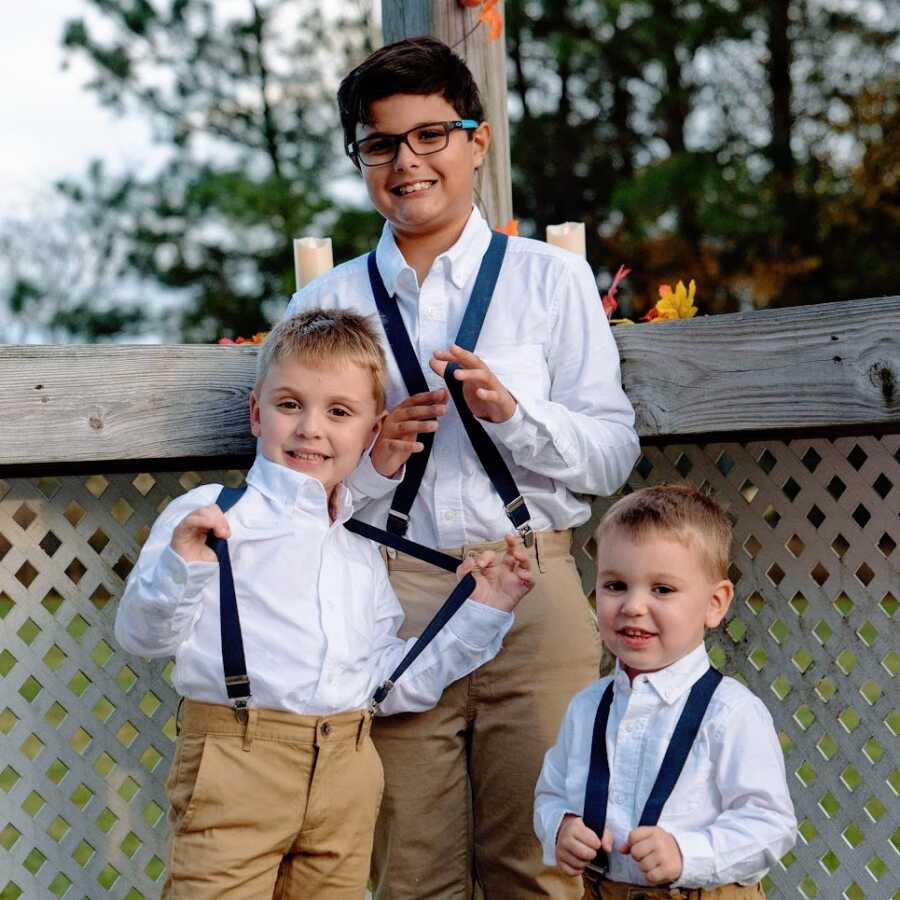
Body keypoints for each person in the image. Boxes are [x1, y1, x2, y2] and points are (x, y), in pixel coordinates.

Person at [286, 36, 640, 900]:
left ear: (477, 142)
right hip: (389, 593)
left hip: (532, 582)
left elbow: (612, 453)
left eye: (431, 135)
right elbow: (292, 485)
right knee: (405, 860)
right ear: (362, 157)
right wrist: (370, 465)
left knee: (545, 860)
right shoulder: (322, 306)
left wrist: (516, 419)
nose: (407, 161)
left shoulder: (551, 282)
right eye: (381, 143)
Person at [114, 309, 534, 900]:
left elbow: (390, 683)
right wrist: (183, 565)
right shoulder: (212, 515)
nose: (311, 429)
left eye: (339, 412)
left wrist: (481, 610)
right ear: (258, 413)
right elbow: (143, 637)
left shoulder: (357, 545)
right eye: (290, 405)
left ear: (372, 431)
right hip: (239, 761)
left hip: (348, 769)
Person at [534, 484, 797, 899]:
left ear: (715, 603)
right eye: (615, 585)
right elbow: (551, 792)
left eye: (662, 590)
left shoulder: (730, 713)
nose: (634, 606)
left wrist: (687, 853)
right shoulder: (587, 707)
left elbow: (770, 825)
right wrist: (561, 826)